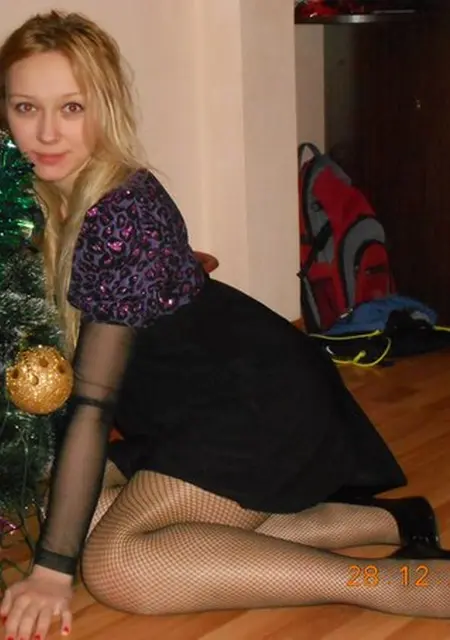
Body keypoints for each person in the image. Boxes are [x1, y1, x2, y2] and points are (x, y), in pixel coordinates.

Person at [0, 10, 449, 640]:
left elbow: (93, 406)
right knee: (76, 512)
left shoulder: (121, 213)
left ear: (106, 108)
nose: (46, 132)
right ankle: (392, 522)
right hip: (191, 404)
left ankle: (390, 581)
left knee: (117, 566)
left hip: (256, 404)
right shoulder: (43, 195)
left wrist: (52, 570)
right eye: (26, 107)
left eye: (71, 108)